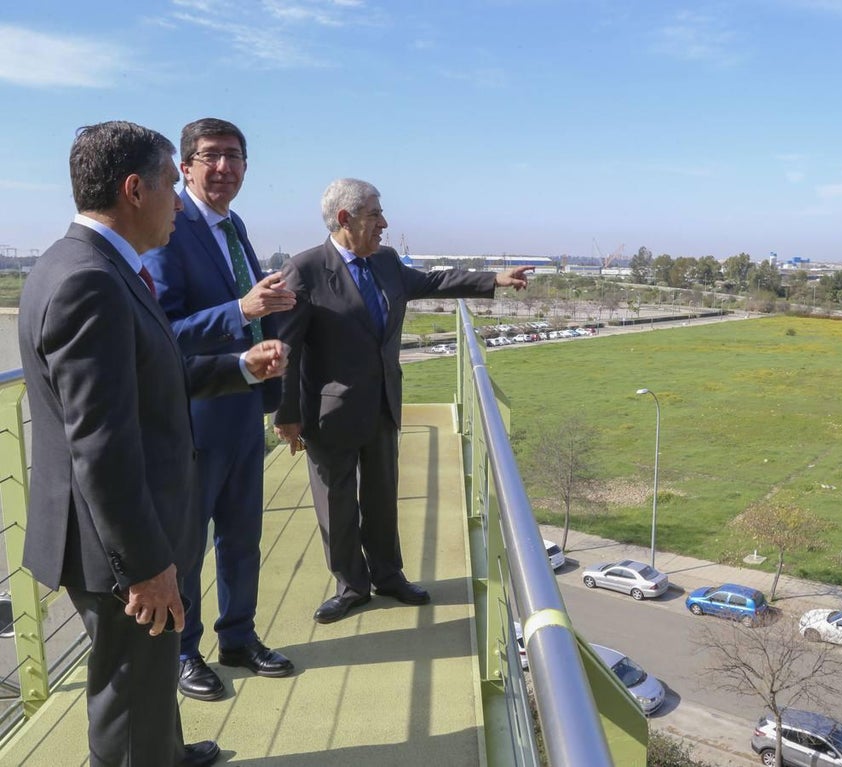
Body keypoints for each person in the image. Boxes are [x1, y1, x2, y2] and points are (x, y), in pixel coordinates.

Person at [18, 122, 287, 766]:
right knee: (127, 689)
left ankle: (166, 751)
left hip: (118, 527)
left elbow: (146, 377)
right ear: (135, 189)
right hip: (116, 542)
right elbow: (101, 443)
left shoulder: (86, 262)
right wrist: (144, 565)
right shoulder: (93, 282)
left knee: (146, 672)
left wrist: (241, 369)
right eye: (173, 181)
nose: (179, 197)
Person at [273, 178, 531, 624]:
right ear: (344, 219)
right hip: (329, 413)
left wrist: (494, 279)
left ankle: (388, 576)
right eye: (375, 215)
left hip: (383, 404)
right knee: (336, 504)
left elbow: (434, 280)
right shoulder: (306, 269)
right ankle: (351, 586)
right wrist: (287, 416)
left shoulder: (387, 261)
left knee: (381, 495)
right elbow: (287, 349)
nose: (384, 223)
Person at [143, 118, 296, 702]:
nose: (224, 168)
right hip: (194, 414)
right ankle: (183, 653)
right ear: (184, 167)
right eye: (211, 157)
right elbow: (165, 333)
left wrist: (269, 326)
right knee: (186, 546)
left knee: (241, 536)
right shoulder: (169, 229)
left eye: (235, 156)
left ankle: (238, 637)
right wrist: (241, 307)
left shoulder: (235, 227)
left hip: (243, 410)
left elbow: (250, 311)